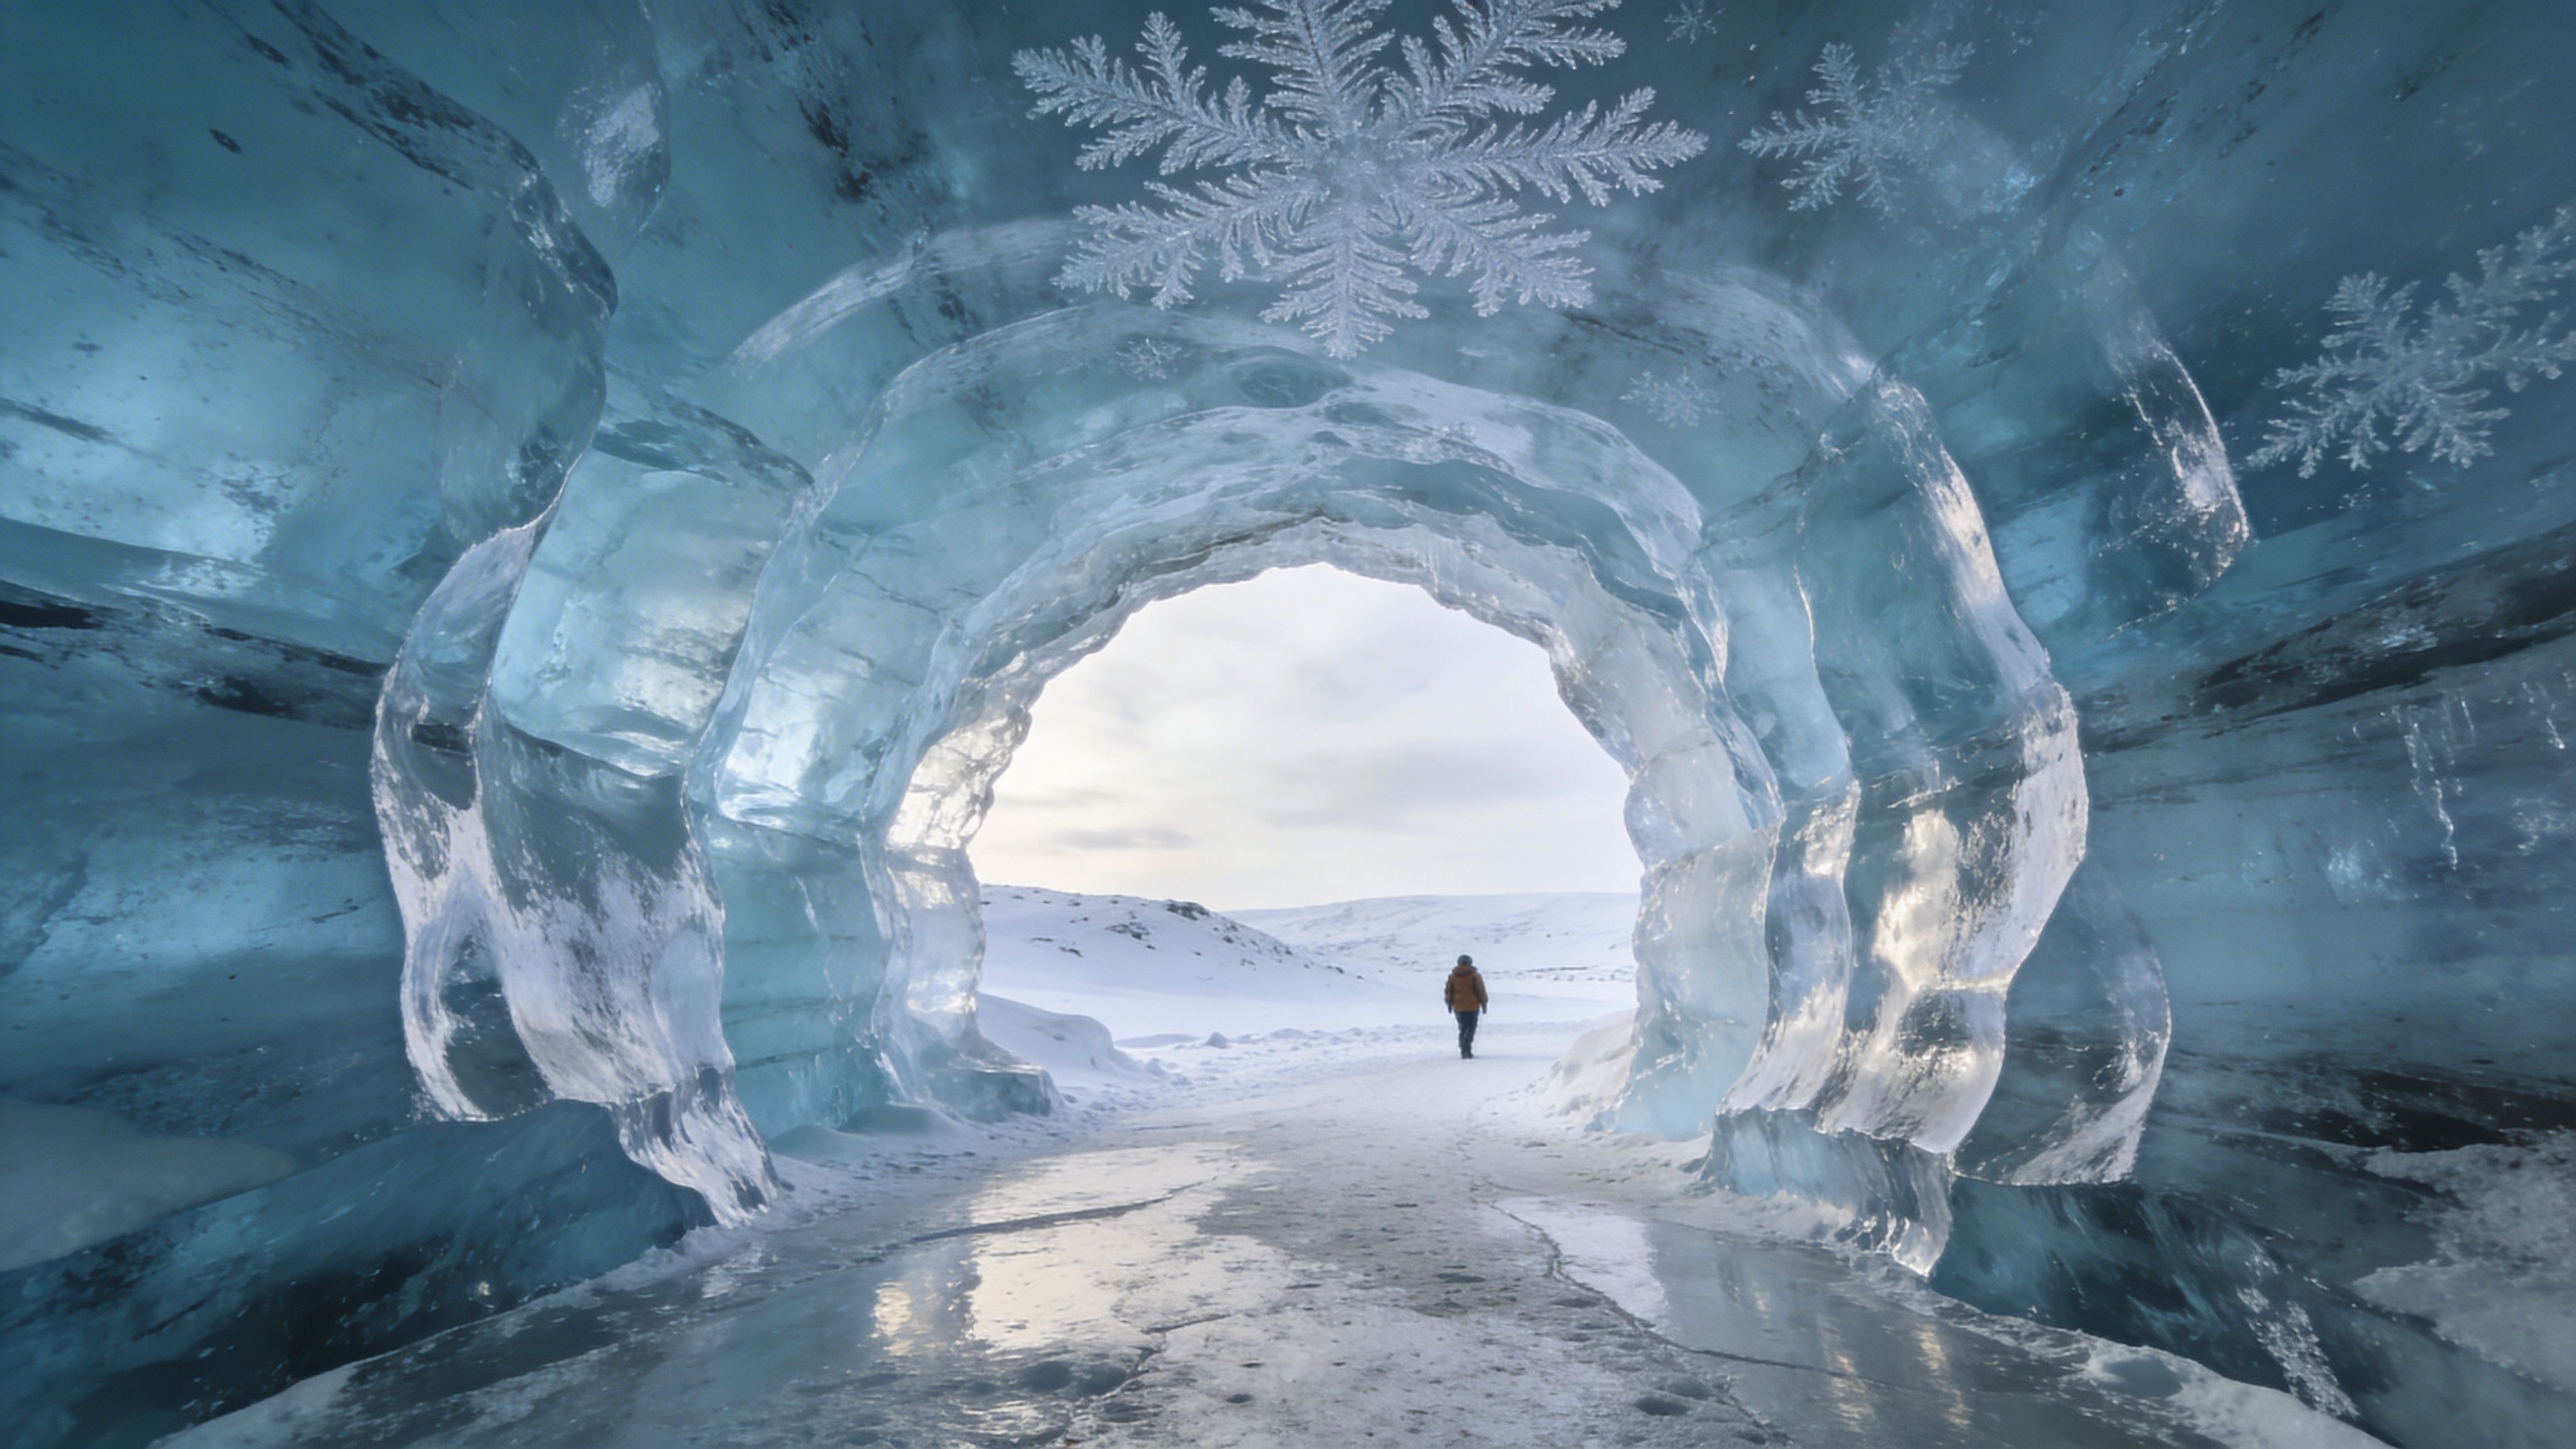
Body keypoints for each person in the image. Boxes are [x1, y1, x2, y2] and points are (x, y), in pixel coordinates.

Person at [1443, 954, 1487, 1058]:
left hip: (1458, 1007)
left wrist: (1449, 1004)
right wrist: (1484, 1003)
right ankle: (1467, 1047)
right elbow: (1480, 991)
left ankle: (1463, 1047)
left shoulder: (1452, 977)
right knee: (1471, 1028)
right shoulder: (1475, 976)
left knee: (1463, 1028)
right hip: (1473, 1006)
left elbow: (1448, 991)